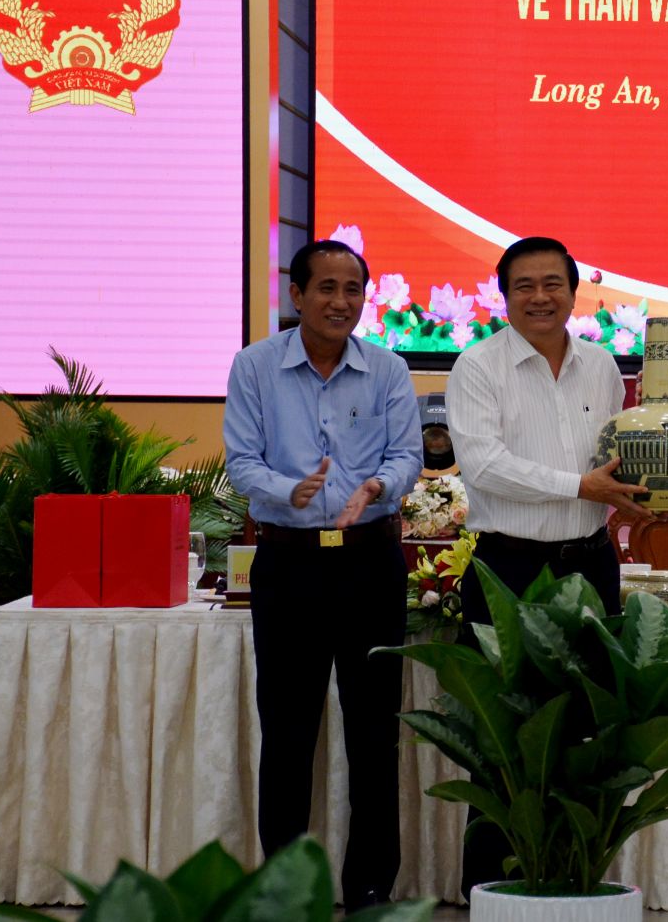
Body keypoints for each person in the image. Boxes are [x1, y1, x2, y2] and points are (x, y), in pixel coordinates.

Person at [445, 235, 650, 895]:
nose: (540, 296)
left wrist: (639, 496)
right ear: (504, 296)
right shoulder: (478, 366)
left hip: (590, 565)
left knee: (590, 734)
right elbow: (484, 466)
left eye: (553, 283)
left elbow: (612, 461)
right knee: (502, 741)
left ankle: (577, 885)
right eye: (525, 285)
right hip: (508, 568)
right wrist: (580, 486)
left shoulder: (603, 367)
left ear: (573, 290)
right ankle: (492, 892)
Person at [223, 239, 422, 912]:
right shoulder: (254, 368)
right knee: (287, 731)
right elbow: (242, 462)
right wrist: (289, 490)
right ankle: (285, 887)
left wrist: (376, 484)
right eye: (328, 288)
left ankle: (370, 888)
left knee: (375, 732)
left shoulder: (390, 369)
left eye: (354, 289)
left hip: (370, 562)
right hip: (289, 565)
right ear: (297, 294)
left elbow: (408, 454)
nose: (342, 302)